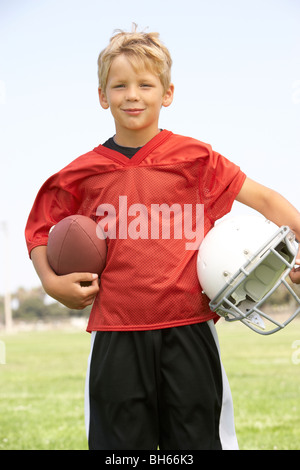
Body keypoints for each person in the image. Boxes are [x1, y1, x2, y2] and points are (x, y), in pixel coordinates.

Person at [25, 26, 300, 450]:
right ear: (102, 96)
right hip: (116, 333)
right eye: (120, 85)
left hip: (189, 327)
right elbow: (40, 229)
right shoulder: (82, 173)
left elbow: (263, 198)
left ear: (167, 93)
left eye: (145, 84)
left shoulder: (195, 159)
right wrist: (49, 280)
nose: (132, 95)